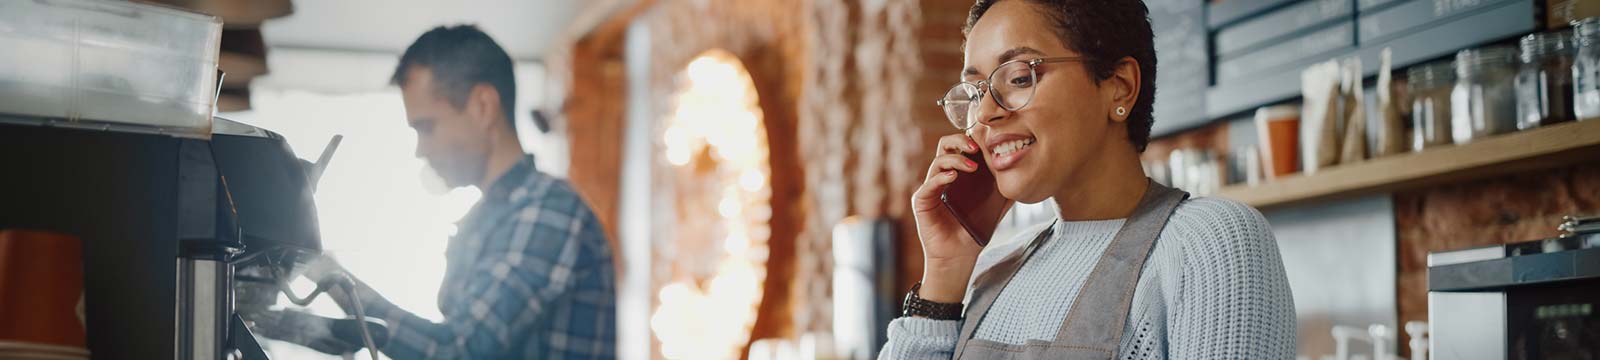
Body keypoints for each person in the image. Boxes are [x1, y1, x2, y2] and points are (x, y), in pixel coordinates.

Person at [881, 0, 1295, 359]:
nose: (986, 112)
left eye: (1020, 78)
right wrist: (945, 270)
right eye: (974, 93)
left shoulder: (1210, 243)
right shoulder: (992, 270)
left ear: (1119, 87)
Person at [256, 25, 617, 359]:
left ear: (482, 106)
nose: (421, 150)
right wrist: (279, 323)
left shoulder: (548, 211)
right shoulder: (489, 218)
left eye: (427, 127)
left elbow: (456, 351)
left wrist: (322, 268)